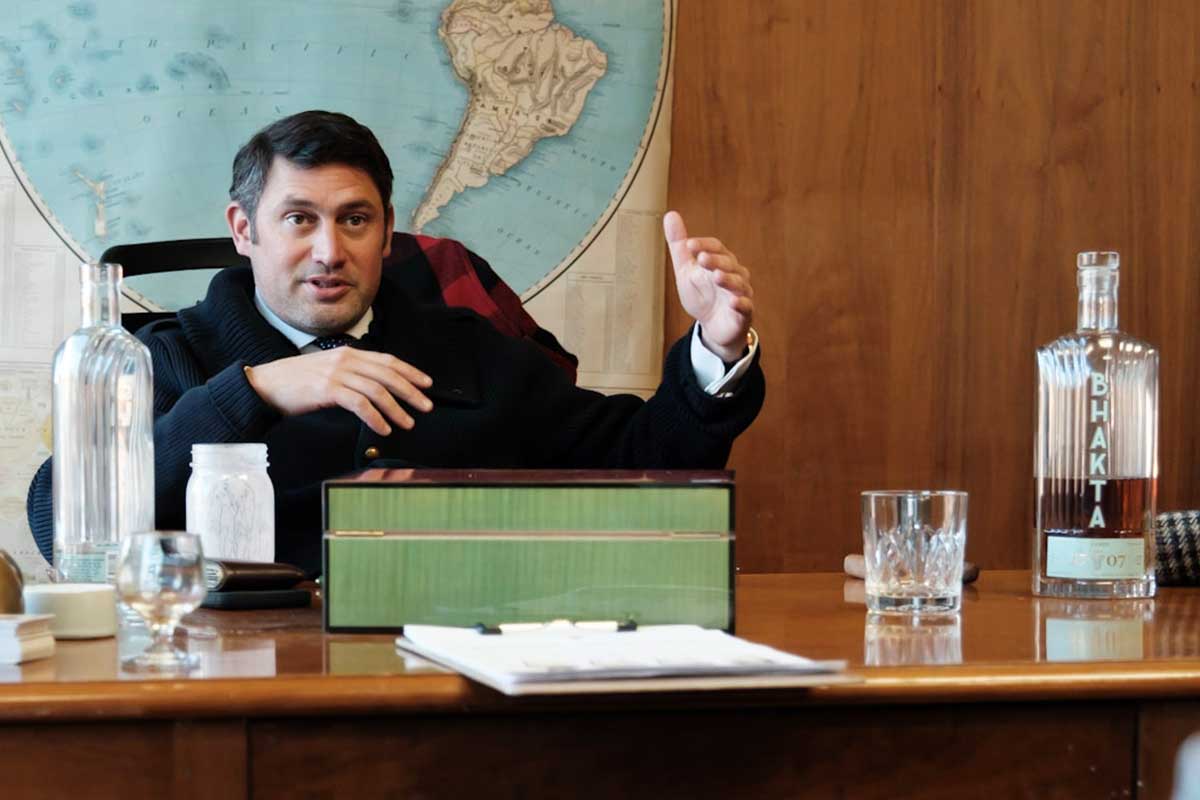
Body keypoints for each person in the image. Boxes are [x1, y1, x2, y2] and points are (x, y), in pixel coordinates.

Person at [28, 110, 764, 574]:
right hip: (242, 678)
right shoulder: (169, 356)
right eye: (298, 220)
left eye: (354, 220)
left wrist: (714, 348)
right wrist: (252, 392)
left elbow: (639, 459)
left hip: (449, 675)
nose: (328, 251)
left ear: (387, 234)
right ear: (243, 230)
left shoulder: (465, 347)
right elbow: (57, 518)